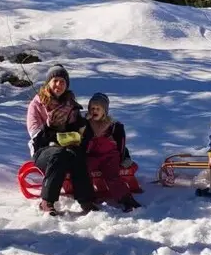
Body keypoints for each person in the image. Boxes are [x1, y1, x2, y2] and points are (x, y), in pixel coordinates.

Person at [26, 65, 98, 216]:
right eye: (55, 80)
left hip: (67, 147)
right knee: (59, 154)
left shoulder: (70, 104)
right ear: (48, 83)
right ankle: (47, 201)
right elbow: (35, 134)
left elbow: (78, 130)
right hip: (43, 150)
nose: (59, 85)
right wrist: (48, 126)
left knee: (76, 153)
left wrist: (83, 126)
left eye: (62, 82)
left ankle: (85, 200)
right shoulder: (37, 104)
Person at [83, 92, 141, 212]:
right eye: (92, 108)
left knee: (112, 175)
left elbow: (121, 144)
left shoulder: (112, 125)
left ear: (105, 111)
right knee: (84, 170)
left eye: (98, 108)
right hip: (92, 155)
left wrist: (123, 157)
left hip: (109, 156)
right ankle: (88, 197)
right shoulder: (85, 123)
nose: (95, 111)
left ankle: (125, 198)